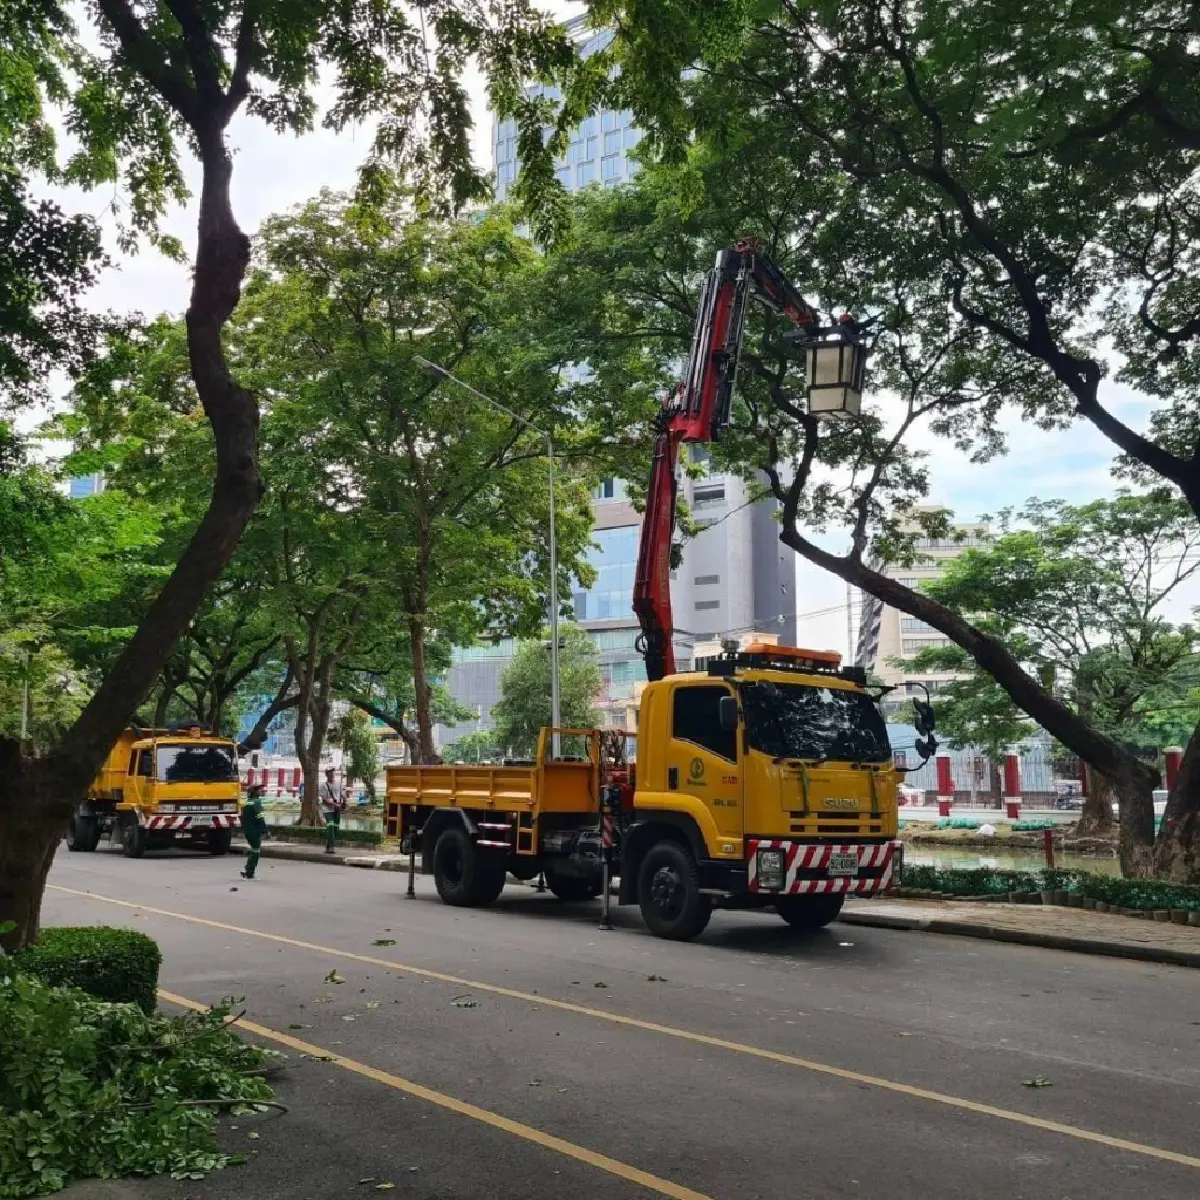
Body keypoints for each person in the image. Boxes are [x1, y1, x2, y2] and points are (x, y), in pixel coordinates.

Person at [240, 783, 268, 880]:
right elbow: (260, 818)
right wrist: (265, 830)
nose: (261, 791)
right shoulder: (256, 802)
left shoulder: (247, 802)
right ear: (255, 792)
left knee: (253, 850)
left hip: (248, 831)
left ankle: (247, 870)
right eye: (259, 789)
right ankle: (249, 873)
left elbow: (243, 819)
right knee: (256, 852)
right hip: (255, 831)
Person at [321, 767, 345, 854]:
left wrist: (344, 800)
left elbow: (341, 794)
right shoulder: (323, 785)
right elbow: (324, 799)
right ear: (327, 774)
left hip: (337, 809)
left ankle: (328, 845)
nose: (332, 774)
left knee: (335, 828)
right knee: (330, 826)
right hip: (327, 810)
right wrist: (334, 804)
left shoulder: (338, 784)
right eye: (330, 772)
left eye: (333, 772)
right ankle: (331, 847)